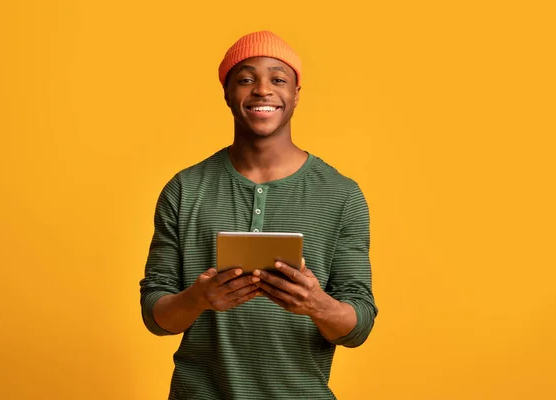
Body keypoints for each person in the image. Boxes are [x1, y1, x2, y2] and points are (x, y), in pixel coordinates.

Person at [140, 30, 378, 400]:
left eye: (278, 79)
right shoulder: (184, 189)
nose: (262, 90)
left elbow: (358, 325)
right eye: (246, 79)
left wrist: (317, 303)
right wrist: (198, 299)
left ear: (296, 94)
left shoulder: (342, 195)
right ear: (227, 94)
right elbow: (155, 315)